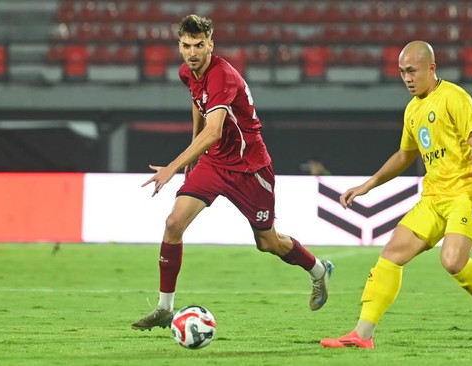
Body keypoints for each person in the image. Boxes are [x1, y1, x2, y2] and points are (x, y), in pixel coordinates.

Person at [131, 14, 334, 331]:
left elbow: (214, 131)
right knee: (173, 224)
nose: (193, 52)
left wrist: (172, 166)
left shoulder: (222, 76)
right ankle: (164, 308)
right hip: (214, 163)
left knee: (267, 242)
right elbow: (199, 107)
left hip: (249, 168)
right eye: (187, 45)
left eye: (199, 45)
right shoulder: (188, 72)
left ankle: (318, 270)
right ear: (179, 46)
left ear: (211, 44)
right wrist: (191, 155)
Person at [320, 40, 472, 350]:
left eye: (412, 71)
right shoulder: (413, 109)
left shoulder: (455, 97)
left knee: (453, 261)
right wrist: (368, 185)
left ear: (431, 68)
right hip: (434, 197)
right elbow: (405, 156)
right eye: (402, 72)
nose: (406, 78)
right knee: (391, 255)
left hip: (466, 193)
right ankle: (362, 334)